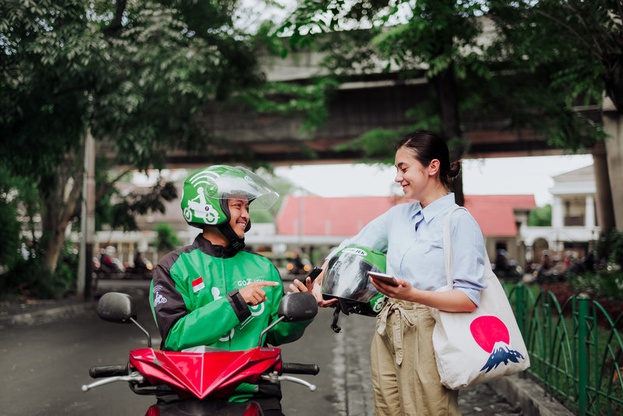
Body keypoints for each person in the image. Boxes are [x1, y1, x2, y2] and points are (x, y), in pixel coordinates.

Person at [310, 131, 487, 416]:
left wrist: (413, 294)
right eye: (397, 169)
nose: (398, 177)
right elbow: (351, 247)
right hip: (389, 327)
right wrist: (320, 283)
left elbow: (468, 298)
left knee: (428, 409)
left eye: (403, 168)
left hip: (432, 330)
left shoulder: (459, 222)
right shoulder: (398, 217)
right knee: (387, 409)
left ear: (433, 166)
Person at [150, 165, 315, 416]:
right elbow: (175, 335)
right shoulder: (174, 267)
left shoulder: (263, 267)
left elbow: (274, 333)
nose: (245, 215)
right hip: (186, 390)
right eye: (238, 206)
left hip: (252, 390)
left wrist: (302, 310)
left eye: (247, 207)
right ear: (208, 207)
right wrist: (236, 303)